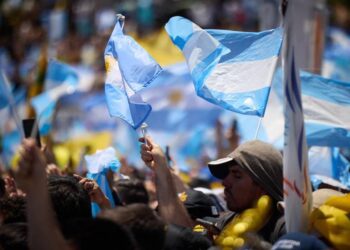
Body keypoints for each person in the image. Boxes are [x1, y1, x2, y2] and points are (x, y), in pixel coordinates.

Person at [207, 140, 286, 247]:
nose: (225, 183)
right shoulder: (226, 223)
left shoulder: (286, 229)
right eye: (227, 174)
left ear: (263, 185)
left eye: (237, 175)